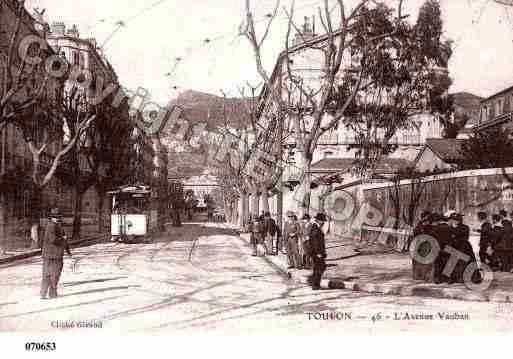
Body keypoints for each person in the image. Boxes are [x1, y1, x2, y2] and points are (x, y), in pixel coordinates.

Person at [40, 208, 71, 299]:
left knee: (48, 274)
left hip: (51, 255)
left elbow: (64, 241)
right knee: (54, 274)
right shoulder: (51, 226)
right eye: (55, 217)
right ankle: (50, 294)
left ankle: (45, 293)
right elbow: (53, 240)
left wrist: (68, 251)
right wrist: (63, 239)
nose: (57, 219)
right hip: (53, 255)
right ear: (51, 218)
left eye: (58, 217)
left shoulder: (58, 226)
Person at [448, 213, 476, 283]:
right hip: (459, 246)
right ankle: (455, 278)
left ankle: (461, 278)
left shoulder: (463, 227)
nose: (454, 221)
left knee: (462, 262)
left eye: (455, 220)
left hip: (462, 246)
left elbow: (462, 236)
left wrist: (453, 233)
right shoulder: (453, 227)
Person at [412, 210, 434, 281]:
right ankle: (419, 276)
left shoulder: (424, 226)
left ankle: (422, 276)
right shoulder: (420, 226)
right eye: (428, 218)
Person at [309, 213, 327, 290]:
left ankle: (315, 283)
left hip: (317, 252)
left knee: (319, 267)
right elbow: (315, 241)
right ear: (319, 220)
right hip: (317, 253)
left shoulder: (317, 227)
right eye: (322, 221)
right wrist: (318, 253)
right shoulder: (315, 228)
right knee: (319, 268)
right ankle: (315, 285)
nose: (323, 222)